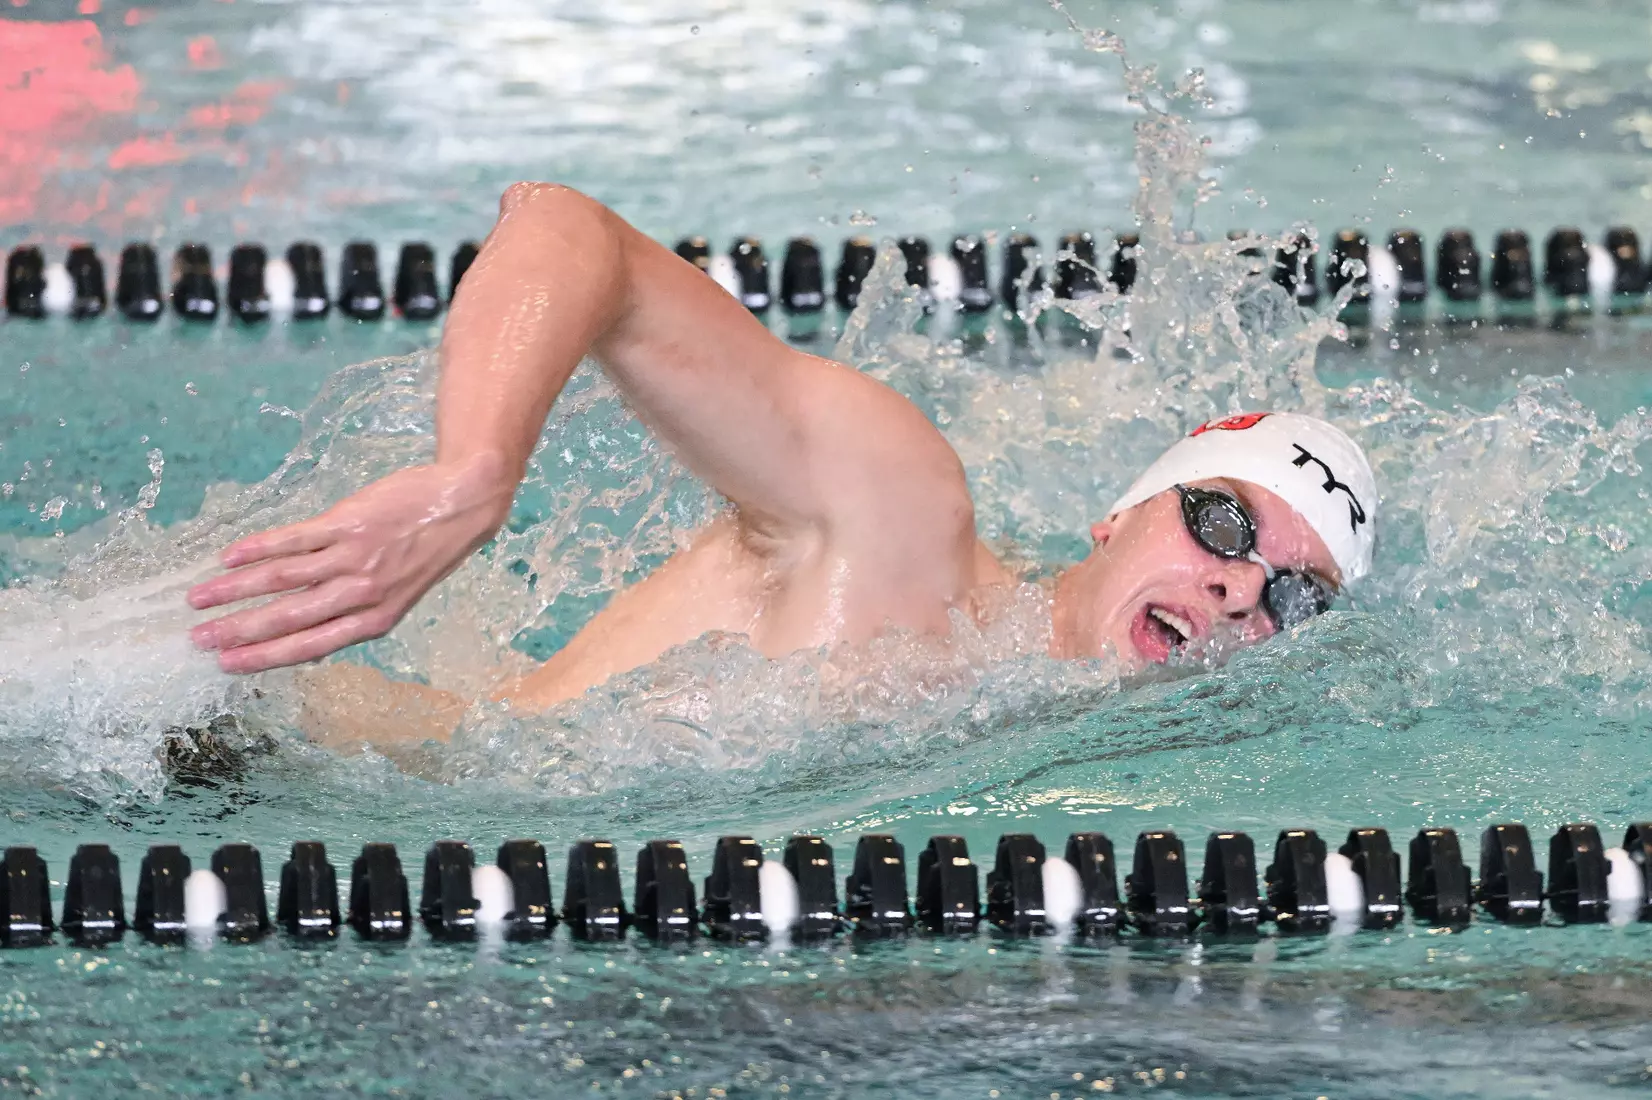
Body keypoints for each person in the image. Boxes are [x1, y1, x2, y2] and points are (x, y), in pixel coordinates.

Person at [185, 183, 1377, 751]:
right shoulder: (900, 519)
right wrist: (474, 473)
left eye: (1291, 592)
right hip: (221, 725)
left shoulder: (1044, 725)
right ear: (1115, 515)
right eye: (1223, 525)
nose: (1238, 588)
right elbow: (567, 229)